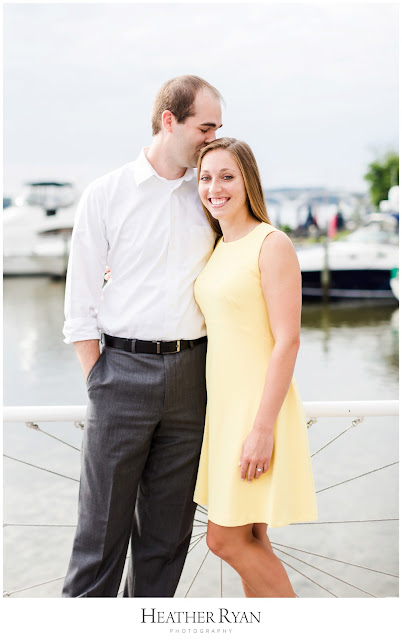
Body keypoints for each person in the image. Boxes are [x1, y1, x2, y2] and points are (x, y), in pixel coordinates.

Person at [62, 75, 223, 597]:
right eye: (206, 126)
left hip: (191, 380)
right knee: (98, 541)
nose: (213, 137)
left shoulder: (209, 197)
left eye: (218, 127)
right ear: (169, 121)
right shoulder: (106, 195)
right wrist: (99, 378)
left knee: (165, 542)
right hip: (120, 376)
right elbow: (79, 303)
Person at [192, 137, 318, 597]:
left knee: (222, 539)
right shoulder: (219, 245)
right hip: (222, 412)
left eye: (227, 176)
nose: (214, 187)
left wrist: (262, 429)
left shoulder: (271, 243)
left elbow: (288, 341)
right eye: (206, 178)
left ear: (248, 181)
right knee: (250, 538)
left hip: (257, 411)